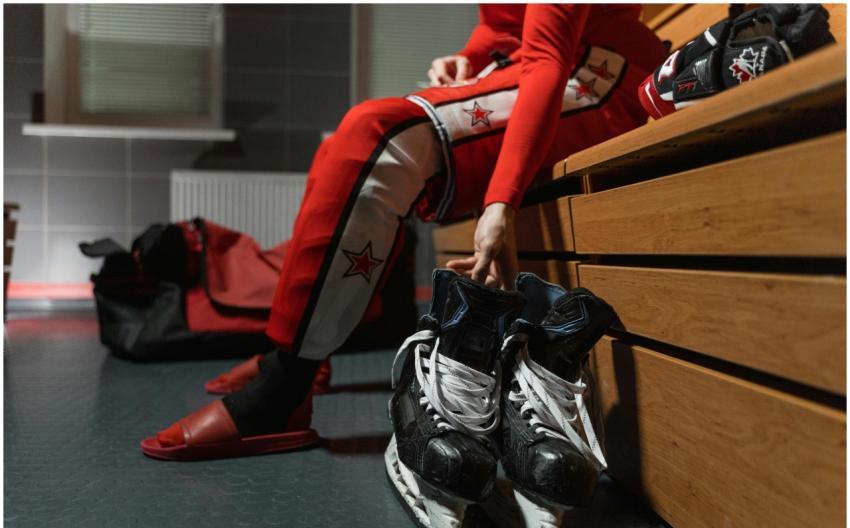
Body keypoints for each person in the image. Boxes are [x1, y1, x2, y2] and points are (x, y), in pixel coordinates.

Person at [140, 3, 666, 461]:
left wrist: (500, 201)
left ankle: (284, 388)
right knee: (341, 147)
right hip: (550, 65)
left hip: (598, 79)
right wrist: (472, 57)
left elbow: (549, 55)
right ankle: (302, 351)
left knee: (379, 136)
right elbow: (509, 22)